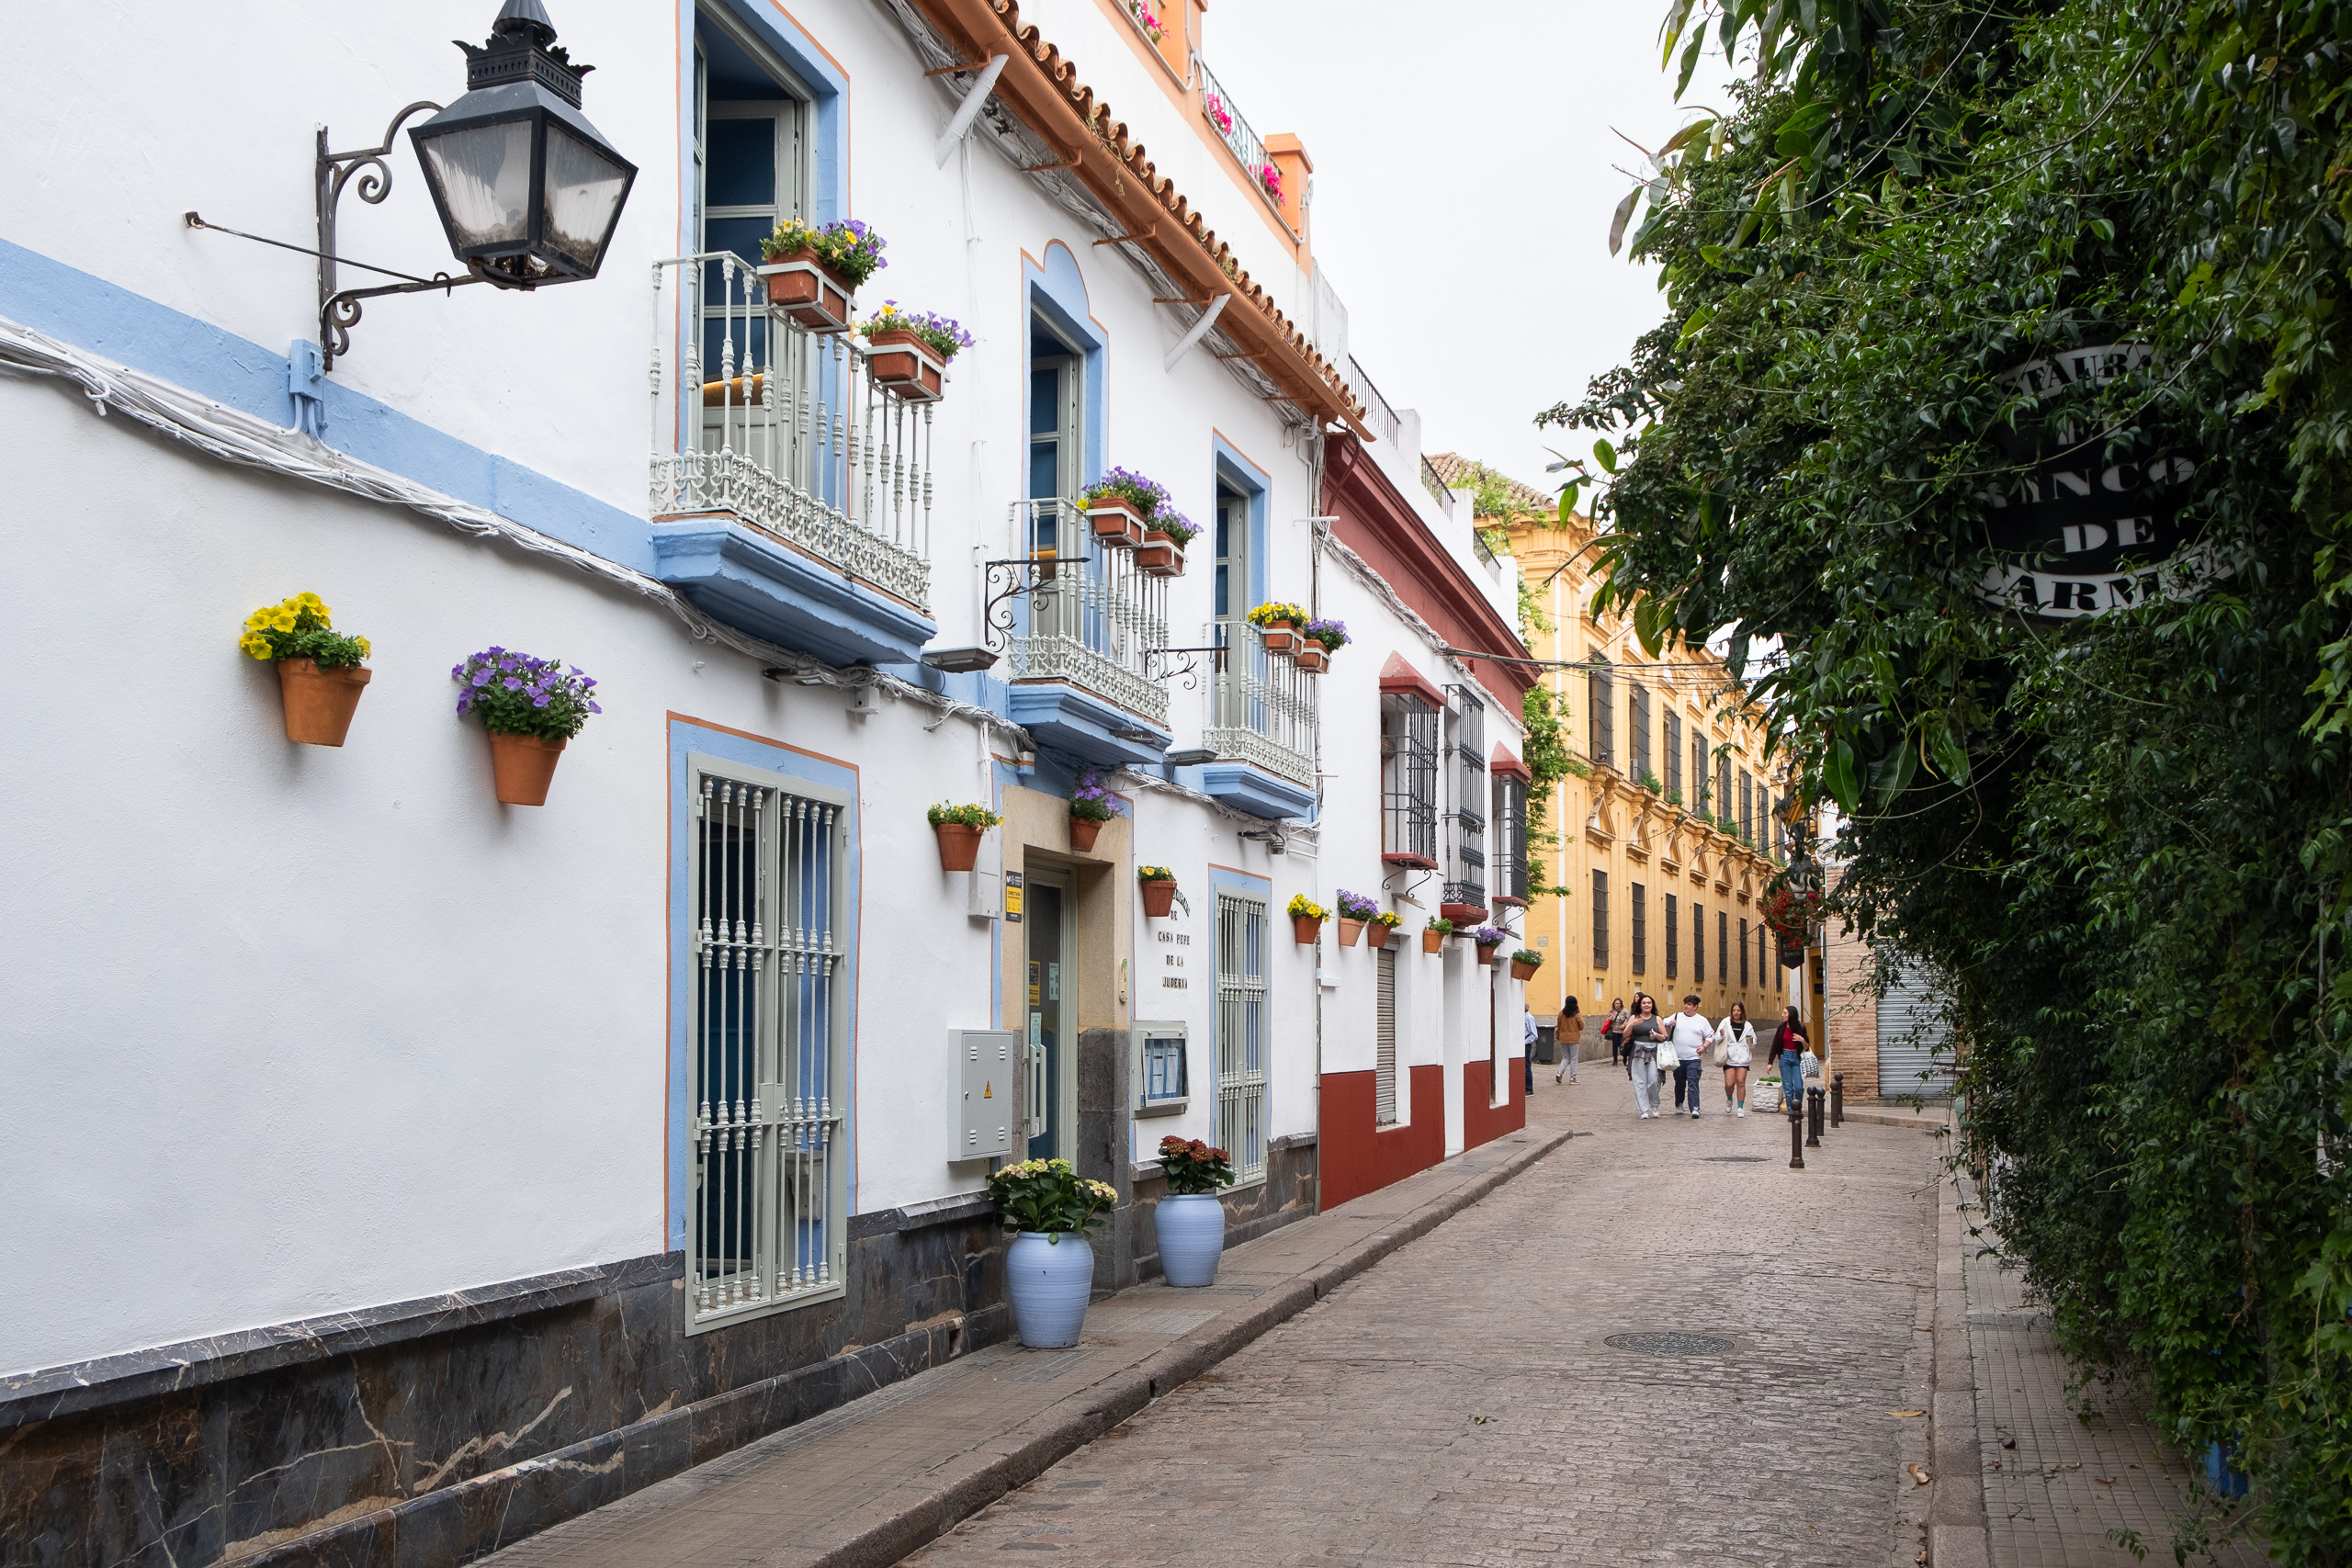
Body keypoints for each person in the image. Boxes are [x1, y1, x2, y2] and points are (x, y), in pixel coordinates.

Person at [1667, 994, 1713, 1120]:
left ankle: (1695, 1108)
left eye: (1689, 1004)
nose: (1686, 1006)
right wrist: (1669, 1022)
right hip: (1678, 1057)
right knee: (1680, 1082)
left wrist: (1704, 1047)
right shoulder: (1677, 1016)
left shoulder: (1702, 1020)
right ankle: (1679, 1104)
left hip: (1694, 1057)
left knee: (1693, 1082)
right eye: (1685, 1004)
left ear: (1695, 1007)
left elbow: (1710, 1035)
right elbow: (1662, 1022)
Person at [1623, 995, 1667, 1118]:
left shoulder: (1657, 1019)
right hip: (1638, 1052)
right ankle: (1643, 1110)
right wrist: (1632, 1024)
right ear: (1640, 1005)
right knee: (1639, 1081)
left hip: (1653, 1051)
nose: (1646, 1005)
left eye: (1649, 1003)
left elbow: (1664, 1037)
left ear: (1652, 1005)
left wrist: (1656, 1036)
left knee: (1654, 1080)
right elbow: (1625, 1035)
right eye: (1644, 1003)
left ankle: (1654, 1105)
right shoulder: (1634, 1017)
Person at [1715, 1001, 1757, 1117]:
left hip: (1743, 1058)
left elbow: (1753, 1043)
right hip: (1729, 1057)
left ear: (1742, 1011)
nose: (1736, 1013)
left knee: (1741, 1082)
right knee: (1729, 1083)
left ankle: (1740, 1107)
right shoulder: (1726, 1022)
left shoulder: (1748, 1026)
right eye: (1734, 1010)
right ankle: (1729, 1099)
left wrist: (1751, 1041)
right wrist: (1721, 1035)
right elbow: (1716, 1038)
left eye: (1738, 1010)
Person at [1771, 1007, 1810, 1122]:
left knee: (1798, 1087)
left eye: (1784, 1013)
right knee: (1788, 1089)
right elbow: (1775, 1044)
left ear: (1791, 1015)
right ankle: (1792, 1113)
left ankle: (1798, 1108)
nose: (1782, 1015)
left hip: (1796, 1059)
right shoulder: (1781, 1027)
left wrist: (1802, 1040)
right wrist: (1770, 1062)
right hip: (1784, 1058)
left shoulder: (1801, 1028)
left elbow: (1807, 1048)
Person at [1555, 993, 1582, 1085]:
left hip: (1563, 1038)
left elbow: (1558, 1027)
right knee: (1574, 1058)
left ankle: (1560, 1073)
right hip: (1573, 1039)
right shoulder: (1576, 1014)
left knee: (1565, 1057)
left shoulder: (1561, 1013)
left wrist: (1558, 1036)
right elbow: (1581, 1026)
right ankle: (1573, 1078)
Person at [1603, 998, 1628, 1067]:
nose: (1617, 1005)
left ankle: (1624, 1057)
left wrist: (1625, 1024)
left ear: (1621, 1004)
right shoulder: (1611, 1011)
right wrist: (1610, 1018)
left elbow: (1628, 1018)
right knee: (1615, 1045)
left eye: (1618, 1003)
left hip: (1622, 1031)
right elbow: (1607, 1018)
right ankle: (1615, 1060)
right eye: (1616, 1003)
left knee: (1622, 1045)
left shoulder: (1624, 1011)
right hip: (1614, 1030)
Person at [1523, 1006, 1538, 1096]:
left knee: (1526, 1066)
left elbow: (1534, 1035)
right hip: (1522, 1043)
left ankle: (1529, 1088)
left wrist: (1524, 1042)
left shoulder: (1529, 1018)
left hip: (1525, 1044)